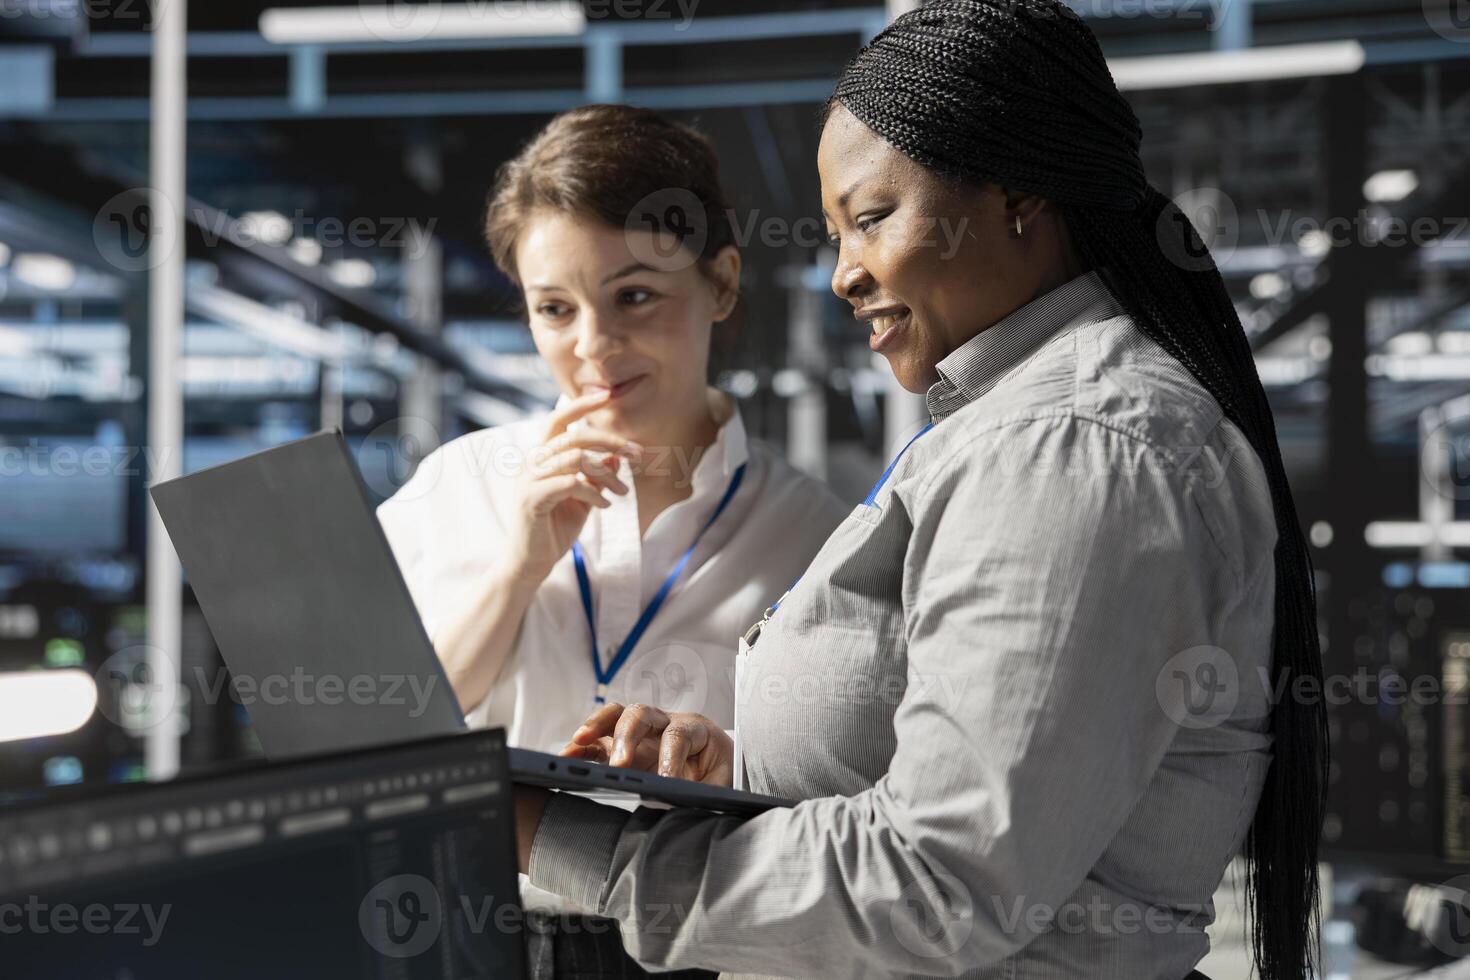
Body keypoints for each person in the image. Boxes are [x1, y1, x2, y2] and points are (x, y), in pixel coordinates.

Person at [511, 3, 1328, 979]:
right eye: (834, 234)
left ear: (1019, 194)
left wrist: (567, 841)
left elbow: (948, 877)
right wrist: (740, 774)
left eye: (872, 218)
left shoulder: (1069, 446)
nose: (843, 275)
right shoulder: (1005, 429)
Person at [376, 104, 846, 976]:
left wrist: (730, 764)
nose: (594, 346)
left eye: (635, 296)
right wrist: (515, 571)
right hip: (465, 938)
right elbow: (366, 739)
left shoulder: (818, 538)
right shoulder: (457, 486)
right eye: (554, 308)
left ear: (722, 283)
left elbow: (837, 804)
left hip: (698, 949)